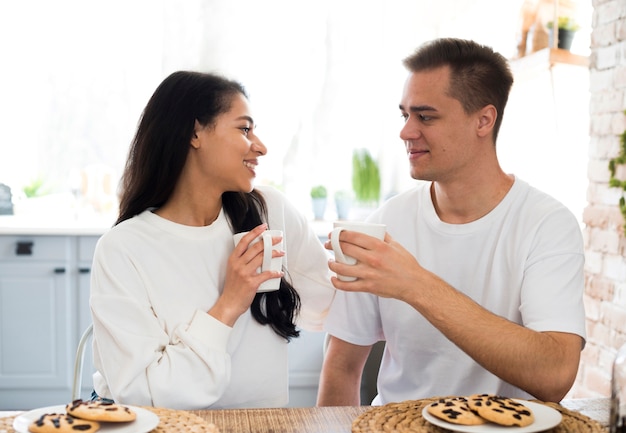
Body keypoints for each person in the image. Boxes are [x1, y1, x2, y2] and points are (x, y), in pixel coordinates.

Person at [316, 38, 586, 406]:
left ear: (484, 120)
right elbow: (342, 368)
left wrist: (415, 284)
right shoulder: (385, 223)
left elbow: (554, 376)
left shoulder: (547, 225)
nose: (406, 131)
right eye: (405, 114)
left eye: (425, 116)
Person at [89, 71, 335, 410]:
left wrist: (362, 271)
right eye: (244, 129)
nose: (260, 146)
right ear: (195, 133)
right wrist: (229, 304)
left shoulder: (269, 213)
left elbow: (330, 308)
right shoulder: (124, 249)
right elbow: (144, 397)